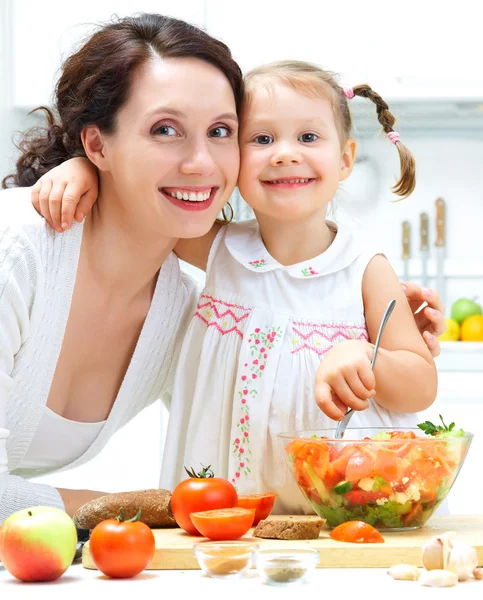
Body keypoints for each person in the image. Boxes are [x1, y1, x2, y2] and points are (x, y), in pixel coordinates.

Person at [32, 59, 444, 513]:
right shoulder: (216, 248)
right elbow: (134, 205)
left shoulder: (365, 267)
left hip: (346, 504)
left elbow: (421, 385)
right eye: (262, 139)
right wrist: (83, 171)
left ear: (344, 159)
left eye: (308, 137)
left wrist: (366, 356)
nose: (285, 153)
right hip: (226, 509)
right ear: (236, 159)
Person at [0, 12, 244, 523]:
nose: (201, 161)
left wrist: (370, 316)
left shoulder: (182, 310)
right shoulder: (17, 254)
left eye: (221, 131)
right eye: (165, 129)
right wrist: (138, 512)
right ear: (96, 145)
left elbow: (244, 452)